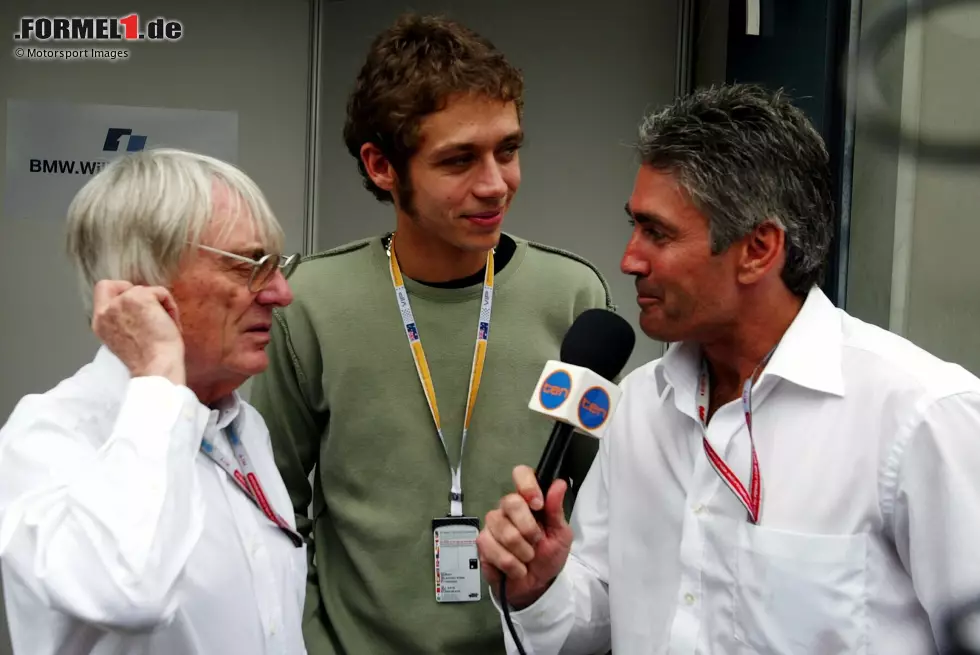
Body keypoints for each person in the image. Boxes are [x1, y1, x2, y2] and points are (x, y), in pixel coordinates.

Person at [477, 83, 980, 655]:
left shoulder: (921, 416)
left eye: (657, 232)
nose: (628, 259)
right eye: (633, 226)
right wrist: (541, 586)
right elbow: (595, 624)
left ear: (759, 249)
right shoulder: (641, 407)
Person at [247, 12, 615, 655]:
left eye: (508, 149)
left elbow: (601, 514)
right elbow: (273, 514)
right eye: (459, 160)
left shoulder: (574, 296)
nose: (495, 183)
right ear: (383, 166)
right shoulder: (309, 304)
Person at [0, 148, 308, 655]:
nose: (279, 293)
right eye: (249, 265)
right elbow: (129, 592)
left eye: (276, 265)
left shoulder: (241, 424)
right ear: (143, 282)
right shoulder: (48, 435)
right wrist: (160, 377)